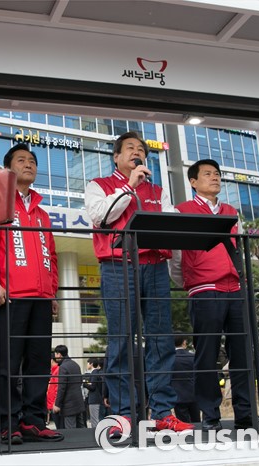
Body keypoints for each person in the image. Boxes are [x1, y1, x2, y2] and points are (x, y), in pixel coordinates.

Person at [84, 131, 192, 437]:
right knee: (121, 341)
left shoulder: (158, 189)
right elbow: (101, 217)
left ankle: (162, 413)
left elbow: (171, 224)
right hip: (118, 266)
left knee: (160, 340)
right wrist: (129, 186)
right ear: (116, 157)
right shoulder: (99, 185)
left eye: (141, 149)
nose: (137, 152)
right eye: (130, 148)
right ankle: (123, 415)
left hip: (155, 266)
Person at [0, 143, 63, 444]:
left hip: (41, 298)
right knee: (7, 363)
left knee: (39, 363)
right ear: (8, 169)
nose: (29, 164)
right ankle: (7, 423)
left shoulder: (42, 214)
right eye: (21, 160)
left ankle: (34, 421)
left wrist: (52, 291)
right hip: (9, 295)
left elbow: (51, 254)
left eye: (32, 161)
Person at [169, 158, 252, 431]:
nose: (215, 177)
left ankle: (245, 416)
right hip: (204, 289)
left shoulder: (231, 211)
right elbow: (176, 257)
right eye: (207, 174)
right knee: (206, 354)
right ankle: (211, 416)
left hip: (235, 289)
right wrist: (192, 281)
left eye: (217, 173)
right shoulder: (182, 211)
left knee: (242, 354)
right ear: (193, 182)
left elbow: (237, 249)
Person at [53, 345, 85, 429]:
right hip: (79, 402)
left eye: (55, 354)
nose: (55, 357)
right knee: (81, 428)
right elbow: (80, 381)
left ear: (59, 354)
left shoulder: (63, 367)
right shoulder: (75, 364)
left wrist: (57, 404)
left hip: (69, 405)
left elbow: (62, 387)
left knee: (70, 430)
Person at [172, 334, 200, 423]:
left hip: (178, 395)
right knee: (196, 421)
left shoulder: (170, 358)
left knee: (182, 423)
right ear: (184, 342)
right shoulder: (193, 356)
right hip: (193, 393)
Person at [83, 357, 105, 427]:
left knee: (94, 420)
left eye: (88, 363)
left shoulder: (94, 372)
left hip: (94, 399)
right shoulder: (97, 372)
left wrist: (84, 384)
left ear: (91, 364)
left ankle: (96, 432)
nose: (87, 365)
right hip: (97, 399)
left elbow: (93, 387)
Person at [46, 357, 62, 428]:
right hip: (52, 404)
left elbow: (58, 388)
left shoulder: (57, 371)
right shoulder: (54, 371)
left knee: (59, 426)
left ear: (52, 360)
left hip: (54, 405)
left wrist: (56, 403)